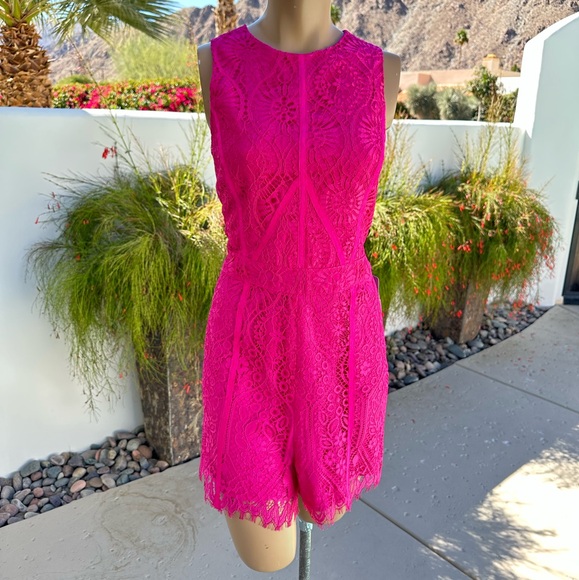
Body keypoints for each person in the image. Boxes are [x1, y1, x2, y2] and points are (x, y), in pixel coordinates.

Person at [196, 1, 401, 572]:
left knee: (323, 510)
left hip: (340, 340)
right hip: (249, 340)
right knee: (269, 557)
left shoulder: (379, 70)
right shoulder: (218, 62)